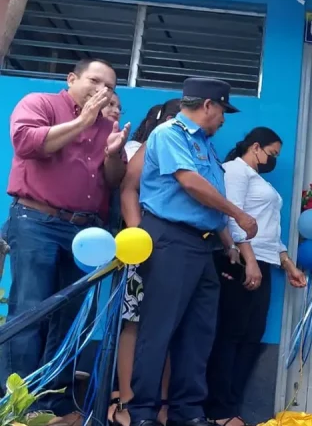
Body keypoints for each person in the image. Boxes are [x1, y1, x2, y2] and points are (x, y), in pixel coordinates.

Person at [1, 58, 129, 425]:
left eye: (110, 87)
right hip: (36, 220)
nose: (102, 91)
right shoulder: (40, 103)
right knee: (30, 311)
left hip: (85, 232)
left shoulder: (109, 126)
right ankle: (18, 407)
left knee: (72, 317)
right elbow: (26, 143)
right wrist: (82, 122)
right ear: (72, 79)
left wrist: (112, 153)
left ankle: (52, 403)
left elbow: (112, 179)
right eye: (94, 81)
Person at [128, 78, 257, 426]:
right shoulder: (171, 134)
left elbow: (207, 202)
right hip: (170, 238)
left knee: (198, 332)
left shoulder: (207, 146)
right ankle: (142, 412)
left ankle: (187, 412)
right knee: (160, 328)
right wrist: (239, 214)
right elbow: (190, 183)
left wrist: (228, 242)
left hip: (202, 245)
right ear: (208, 106)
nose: (223, 120)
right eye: (222, 112)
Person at [204, 127, 308, 426]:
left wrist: (288, 264)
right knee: (230, 334)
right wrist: (247, 260)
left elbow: (270, 229)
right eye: (272, 153)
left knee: (251, 336)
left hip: (263, 261)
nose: (273, 159)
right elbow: (233, 216)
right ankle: (218, 409)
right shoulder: (235, 171)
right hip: (239, 261)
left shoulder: (258, 179)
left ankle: (231, 404)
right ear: (256, 147)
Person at [110, 97, 181, 426]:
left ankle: (162, 404)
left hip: (175, 249)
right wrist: (140, 237)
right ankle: (126, 399)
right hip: (141, 248)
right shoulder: (140, 147)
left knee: (167, 327)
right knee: (134, 323)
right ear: (162, 119)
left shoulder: (189, 152)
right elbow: (127, 189)